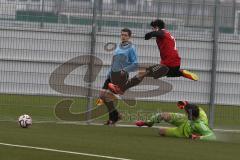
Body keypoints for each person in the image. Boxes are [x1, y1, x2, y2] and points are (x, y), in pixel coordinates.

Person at [108, 19, 199, 95]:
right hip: (174, 64)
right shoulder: (168, 34)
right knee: (162, 73)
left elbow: (157, 34)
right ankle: (181, 73)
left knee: (143, 73)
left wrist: (150, 34)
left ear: (157, 27)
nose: (152, 29)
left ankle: (121, 89)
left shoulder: (163, 33)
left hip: (168, 64)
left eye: (153, 28)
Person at [96, 28, 138, 125]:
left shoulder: (131, 48)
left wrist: (125, 70)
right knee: (102, 95)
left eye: (125, 35)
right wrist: (109, 73)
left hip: (120, 76)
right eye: (122, 35)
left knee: (107, 96)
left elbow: (135, 64)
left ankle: (113, 119)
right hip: (112, 74)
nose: (123, 37)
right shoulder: (119, 47)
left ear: (129, 37)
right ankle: (116, 116)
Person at [135, 101, 216, 141]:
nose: (185, 112)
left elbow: (212, 136)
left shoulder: (200, 124)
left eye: (186, 112)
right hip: (186, 120)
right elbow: (189, 106)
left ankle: (190, 132)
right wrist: (184, 104)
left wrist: (198, 137)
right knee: (163, 115)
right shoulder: (196, 110)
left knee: (160, 131)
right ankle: (149, 123)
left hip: (185, 131)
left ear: (190, 115)